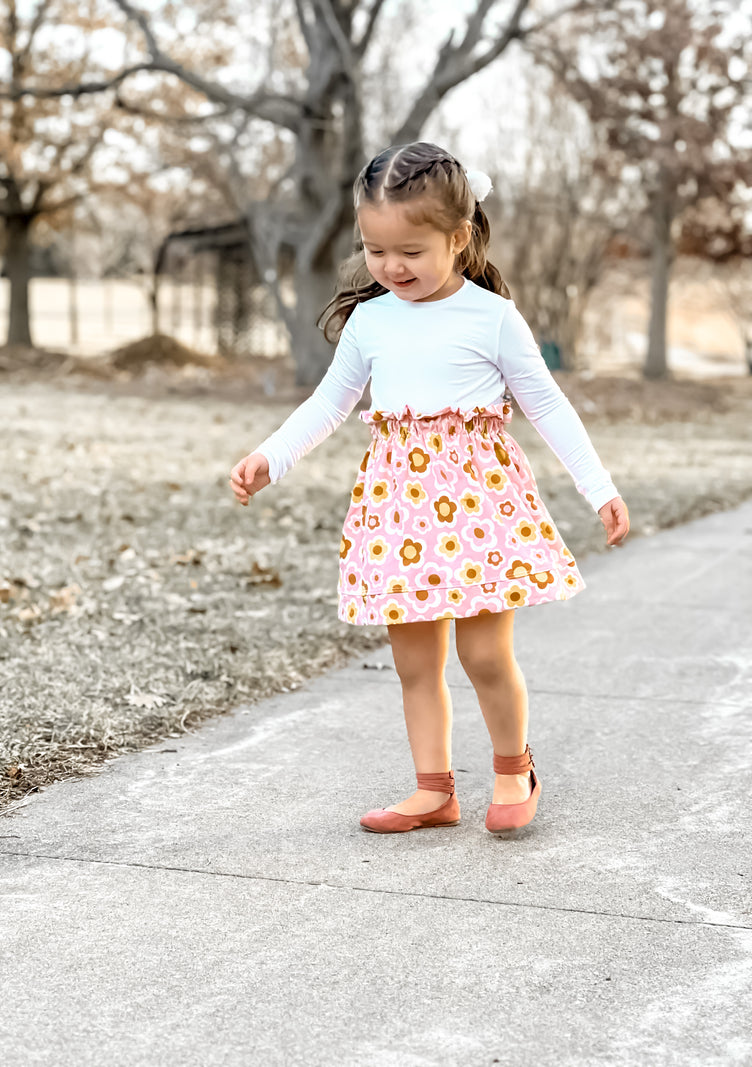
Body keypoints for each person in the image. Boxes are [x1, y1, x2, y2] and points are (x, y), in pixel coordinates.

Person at [229, 142, 630, 837]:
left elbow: (548, 406)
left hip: (479, 506)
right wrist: (272, 456)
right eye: (375, 249)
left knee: (482, 655)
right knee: (415, 662)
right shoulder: (372, 320)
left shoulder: (491, 317)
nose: (390, 267)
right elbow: (330, 403)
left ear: (459, 236)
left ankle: (513, 769)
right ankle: (433, 788)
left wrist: (600, 488)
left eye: (410, 250)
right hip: (400, 510)